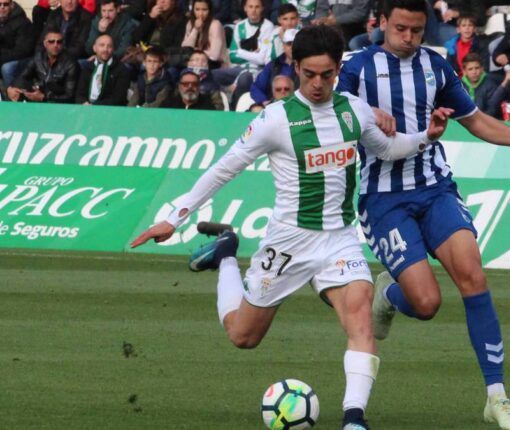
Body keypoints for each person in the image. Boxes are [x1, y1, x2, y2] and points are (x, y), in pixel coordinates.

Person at [130, 24, 453, 430]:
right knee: (243, 336)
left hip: (339, 239)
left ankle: (354, 419)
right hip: (287, 242)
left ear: (338, 70)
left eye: (327, 75)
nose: (318, 84)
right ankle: (228, 253)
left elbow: (387, 149)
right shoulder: (275, 119)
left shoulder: (353, 109)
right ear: (295, 67)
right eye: (309, 74)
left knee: (360, 318)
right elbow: (225, 168)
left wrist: (426, 136)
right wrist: (175, 216)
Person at [336, 1, 510, 429]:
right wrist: (362, 113)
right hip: (383, 198)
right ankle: (389, 295)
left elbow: (474, 121)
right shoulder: (356, 69)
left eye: (417, 30)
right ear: (380, 23)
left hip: (435, 187)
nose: (409, 37)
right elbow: (332, 110)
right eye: (400, 28)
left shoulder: (435, 68)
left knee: (473, 274)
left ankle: (497, 396)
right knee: (426, 303)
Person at [7, 29, 79, 103]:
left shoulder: (71, 64)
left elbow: (70, 96)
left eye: (59, 42)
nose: (55, 45)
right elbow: (23, 77)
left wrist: (44, 97)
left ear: (63, 44)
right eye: (51, 42)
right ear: (45, 44)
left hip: (56, 102)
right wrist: (11, 87)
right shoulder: (38, 57)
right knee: (14, 93)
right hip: (38, 95)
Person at [216, 0, 275, 88]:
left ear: (262, 8)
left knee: (245, 79)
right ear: (245, 8)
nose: (253, 10)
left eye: (257, 7)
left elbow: (262, 59)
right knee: (214, 74)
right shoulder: (239, 26)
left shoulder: (268, 26)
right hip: (238, 68)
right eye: (250, 7)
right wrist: (254, 55)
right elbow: (232, 56)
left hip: (258, 70)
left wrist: (240, 52)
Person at [75, 33, 129, 105]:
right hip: (86, 109)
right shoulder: (87, 67)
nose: (105, 49)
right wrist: (84, 103)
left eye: (109, 46)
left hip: (109, 111)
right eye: (102, 45)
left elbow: (118, 98)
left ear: (113, 49)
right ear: (94, 48)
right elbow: (79, 94)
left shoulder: (121, 69)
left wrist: (94, 106)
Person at [248, 27, 297, 106]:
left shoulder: (307, 67)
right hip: (274, 108)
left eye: (296, 44)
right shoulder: (273, 65)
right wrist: (265, 102)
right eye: (289, 44)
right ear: (283, 46)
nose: (293, 47)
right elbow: (256, 88)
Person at [132, 0, 187, 68]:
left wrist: (156, 51)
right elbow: (136, 37)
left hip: (165, 57)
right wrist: (150, 17)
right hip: (145, 54)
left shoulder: (181, 19)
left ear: (173, 2)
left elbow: (177, 45)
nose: (162, 1)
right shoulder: (151, 15)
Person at [182, 0, 227, 67]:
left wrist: (196, 51)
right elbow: (185, 48)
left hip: (215, 65)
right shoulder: (190, 24)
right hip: (194, 63)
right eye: (197, 9)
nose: (200, 14)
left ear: (210, 11)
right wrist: (195, 29)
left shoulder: (215, 25)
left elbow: (215, 56)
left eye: (204, 10)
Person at [0, 0, 35, 86]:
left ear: (12, 5)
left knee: (7, 68)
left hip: (22, 60)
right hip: (4, 57)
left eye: (6, 4)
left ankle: (12, 97)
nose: (2, 7)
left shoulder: (23, 23)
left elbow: (22, 51)